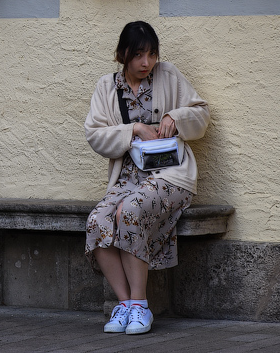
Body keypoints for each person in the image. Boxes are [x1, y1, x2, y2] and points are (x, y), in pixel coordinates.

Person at [84, 21, 209, 335]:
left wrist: (175, 116)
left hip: (171, 174)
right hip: (127, 177)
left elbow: (201, 114)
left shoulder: (168, 75)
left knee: (130, 211)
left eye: (152, 54)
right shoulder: (106, 86)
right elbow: (95, 134)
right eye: (139, 55)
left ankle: (141, 305)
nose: (146, 63)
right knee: (97, 221)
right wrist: (133, 130)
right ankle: (126, 305)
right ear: (122, 54)